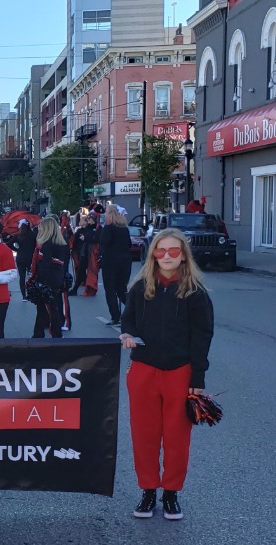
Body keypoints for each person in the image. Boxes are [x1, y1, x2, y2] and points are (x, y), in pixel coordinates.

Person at [119, 228, 215, 521]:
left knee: (176, 438)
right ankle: (148, 491)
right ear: (153, 254)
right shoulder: (139, 287)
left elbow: (202, 337)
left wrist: (197, 380)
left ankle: (171, 493)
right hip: (144, 370)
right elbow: (128, 320)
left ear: (184, 255)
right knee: (144, 435)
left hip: (179, 372)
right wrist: (128, 334)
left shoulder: (196, 293)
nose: (168, 256)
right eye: (162, 250)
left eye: (174, 250)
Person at [28, 217, 70, 338]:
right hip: (57, 279)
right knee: (46, 308)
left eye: (41, 226)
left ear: (47, 228)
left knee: (49, 309)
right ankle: (39, 333)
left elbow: (46, 265)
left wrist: (40, 282)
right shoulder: (61, 243)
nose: (39, 228)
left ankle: (53, 335)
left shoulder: (48, 245)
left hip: (48, 280)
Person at [98, 209, 134, 325]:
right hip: (125, 261)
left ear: (110, 215)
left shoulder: (108, 228)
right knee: (122, 289)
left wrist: (100, 257)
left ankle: (115, 316)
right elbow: (129, 244)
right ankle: (134, 310)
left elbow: (103, 244)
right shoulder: (124, 229)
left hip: (110, 261)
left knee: (110, 289)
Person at [71, 214, 99, 296]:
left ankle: (90, 287)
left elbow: (95, 238)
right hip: (85, 252)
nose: (89, 220)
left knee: (91, 271)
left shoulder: (97, 228)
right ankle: (75, 289)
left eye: (89, 219)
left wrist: (86, 238)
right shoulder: (87, 228)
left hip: (92, 253)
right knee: (80, 270)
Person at [15, 218, 37, 302]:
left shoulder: (18, 235)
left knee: (22, 277)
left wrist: (17, 250)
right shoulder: (33, 235)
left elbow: (9, 243)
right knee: (33, 275)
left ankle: (24, 296)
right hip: (30, 257)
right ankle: (32, 292)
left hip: (20, 257)